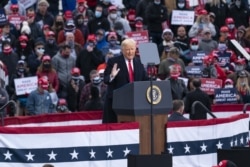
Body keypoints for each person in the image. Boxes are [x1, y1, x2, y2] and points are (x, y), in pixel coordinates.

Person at [102, 38, 148, 123]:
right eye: (127, 50)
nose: (130, 52)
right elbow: (106, 80)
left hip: (134, 103)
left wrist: (154, 80)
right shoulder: (114, 62)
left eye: (132, 49)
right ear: (122, 50)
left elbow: (144, 79)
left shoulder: (139, 62)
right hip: (116, 104)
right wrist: (112, 76)